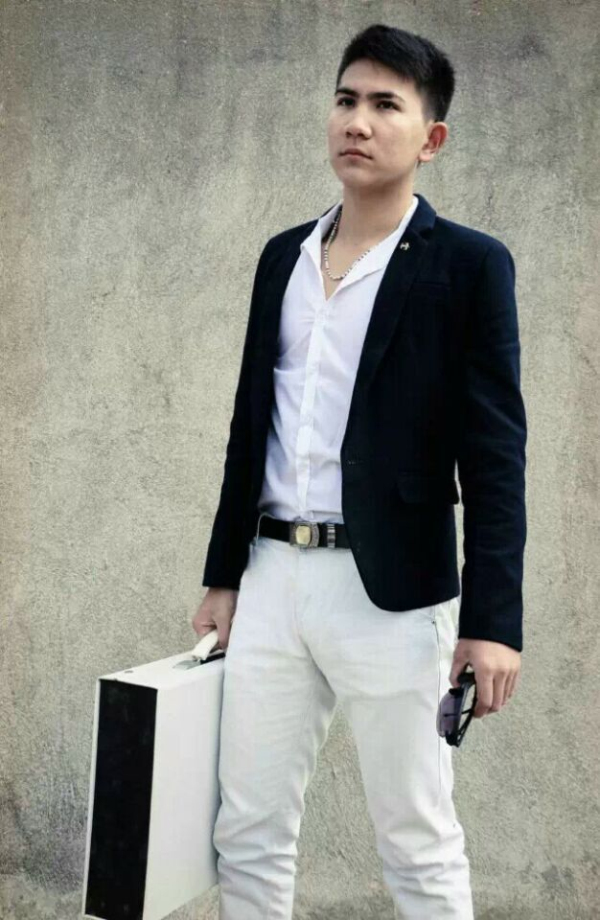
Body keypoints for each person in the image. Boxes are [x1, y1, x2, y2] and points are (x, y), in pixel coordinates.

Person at [192, 22, 527, 920]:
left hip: (394, 594)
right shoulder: (284, 257)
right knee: (248, 829)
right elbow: (249, 428)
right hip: (271, 578)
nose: (358, 121)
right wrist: (224, 576)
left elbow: (496, 458)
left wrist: (493, 622)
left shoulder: (469, 266)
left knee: (415, 837)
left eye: (386, 105)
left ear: (431, 138)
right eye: (346, 99)